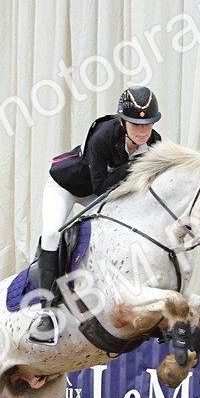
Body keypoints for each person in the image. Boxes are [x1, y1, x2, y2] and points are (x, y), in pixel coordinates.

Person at [29, 85, 164, 344]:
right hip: (68, 186)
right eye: (136, 124)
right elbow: (101, 186)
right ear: (123, 122)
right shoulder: (102, 135)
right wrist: (137, 164)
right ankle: (46, 312)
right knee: (51, 233)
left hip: (104, 193)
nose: (143, 130)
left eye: (148, 124)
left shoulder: (155, 143)